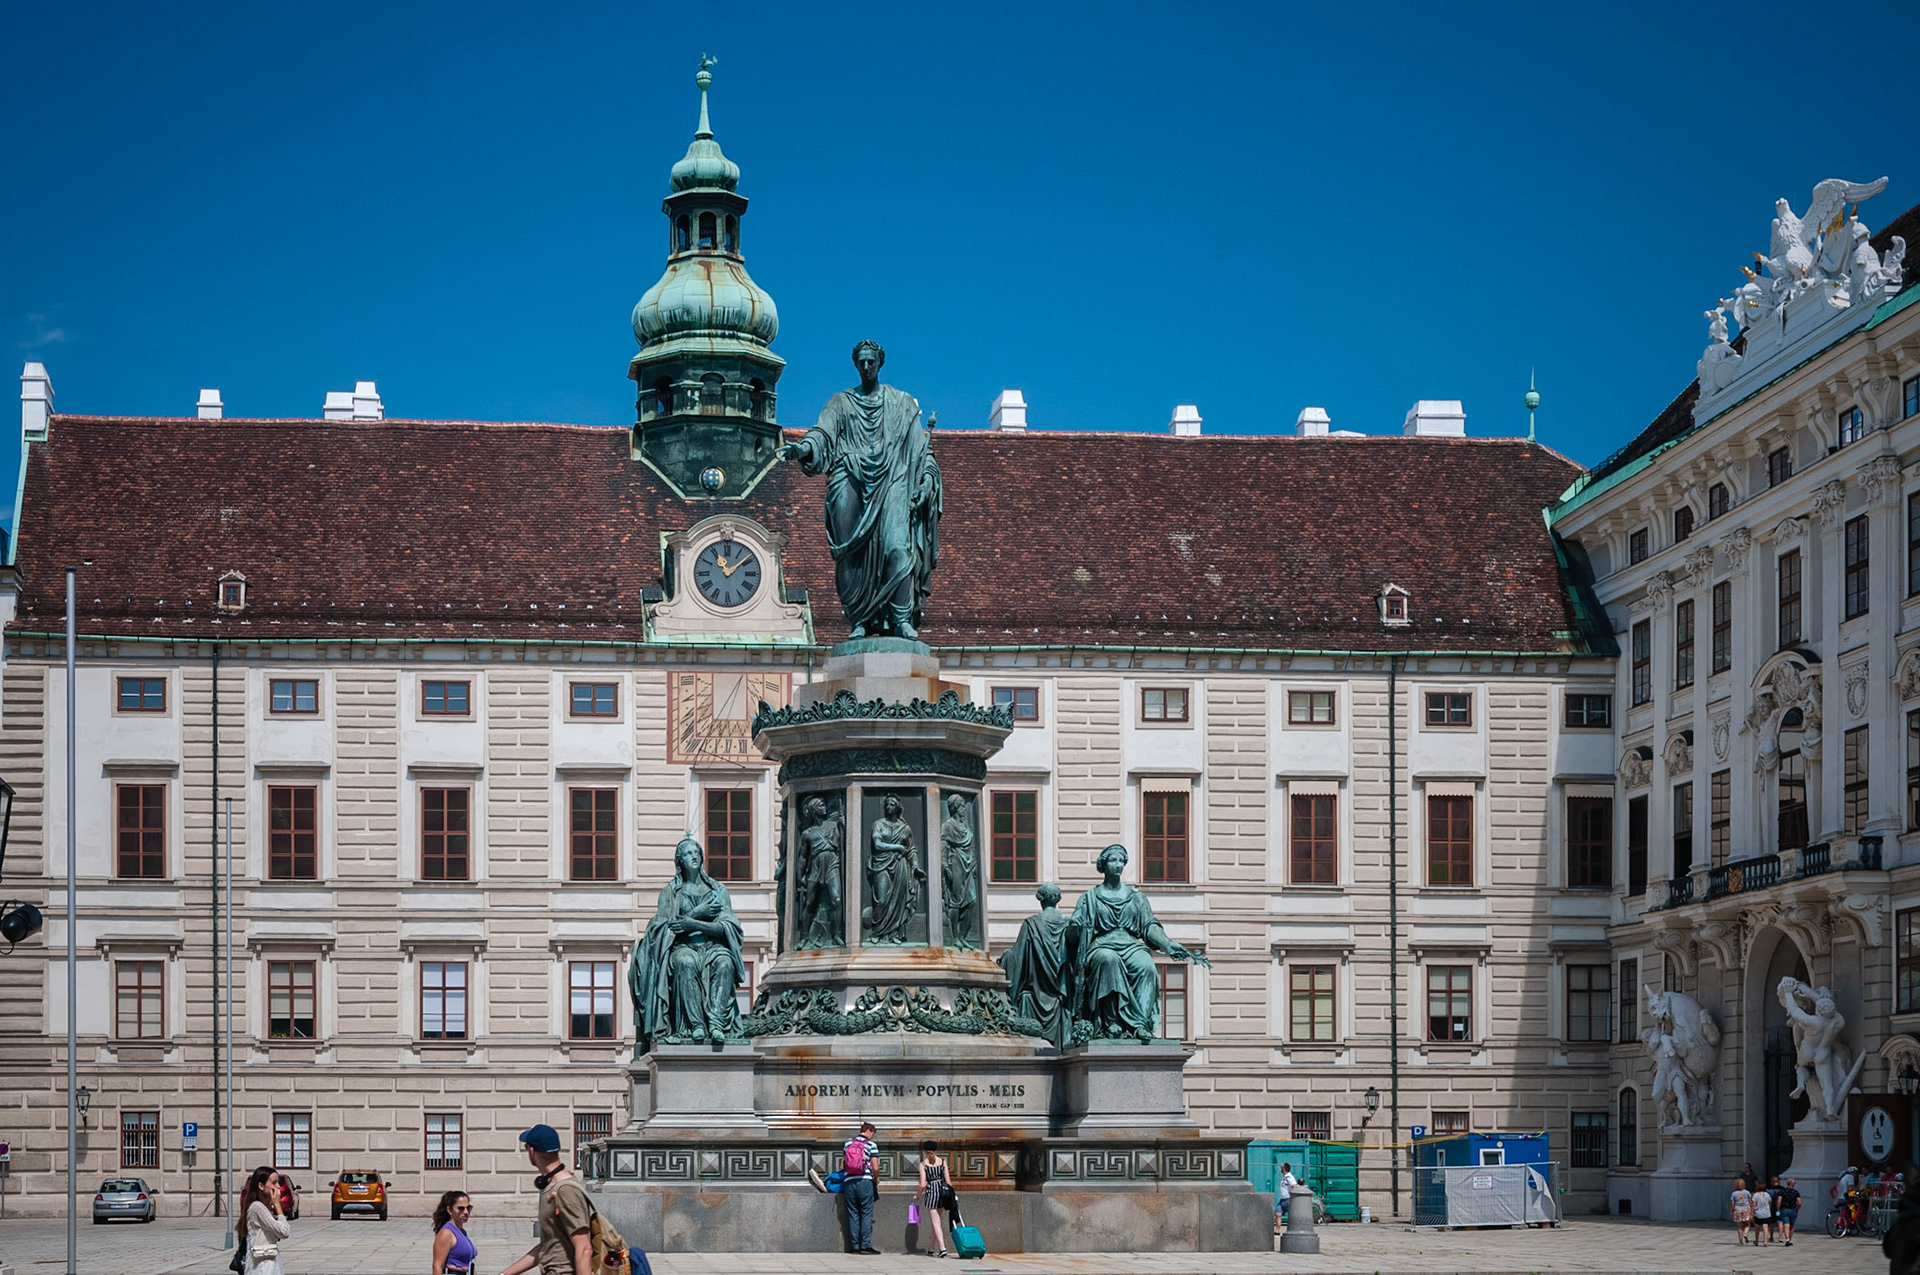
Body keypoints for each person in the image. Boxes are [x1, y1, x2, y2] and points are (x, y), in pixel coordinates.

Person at [500, 1124, 592, 1275]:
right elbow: (547, 1246)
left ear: (531, 1151)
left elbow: (584, 1249)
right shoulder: (551, 1187)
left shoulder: (566, 1190)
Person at [238, 1165, 290, 1275]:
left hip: (269, 1262)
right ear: (261, 1186)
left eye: (278, 1182)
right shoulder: (257, 1208)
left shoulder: (263, 1207)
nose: (278, 1186)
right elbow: (284, 1231)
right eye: (274, 1183)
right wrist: (278, 1205)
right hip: (262, 1266)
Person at [842, 1120, 880, 1256]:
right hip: (865, 1181)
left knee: (853, 1213)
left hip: (849, 1182)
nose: (872, 1137)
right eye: (872, 1134)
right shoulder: (871, 1145)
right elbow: (875, 1166)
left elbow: (845, 1162)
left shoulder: (847, 1143)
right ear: (869, 1131)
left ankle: (854, 1246)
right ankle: (865, 1245)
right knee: (866, 1213)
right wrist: (876, 1178)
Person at [916, 1140, 951, 1258]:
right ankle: (931, 1248)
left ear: (925, 1151)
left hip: (931, 1193)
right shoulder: (943, 1162)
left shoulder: (923, 1164)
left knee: (936, 1222)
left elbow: (922, 1184)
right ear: (936, 1150)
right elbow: (948, 1181)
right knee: (936, 1223)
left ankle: (942, 1248)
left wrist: (917, 1195)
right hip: (942, 1193)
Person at [431, 1191, 478, 1275]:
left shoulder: (461, 1231)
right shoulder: (446, 1233)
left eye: (468, 1208)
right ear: (449, 1210)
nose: (466, 1212)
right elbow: (437, 1266)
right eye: (461, 1208)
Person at [1274, 1162, 1299, 1233]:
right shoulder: (1284, 1177)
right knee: (1278, 1214)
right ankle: (1277, 1231)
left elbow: (1294, 1186)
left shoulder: (1290, 1177)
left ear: (1284, 1169)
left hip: (1288, 1199)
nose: (1281, 1169)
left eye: (1282, 1168)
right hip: (1282, 1199)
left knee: (1291, 1215)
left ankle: (1292, 1230)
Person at [1774, 1175, 1799, 1246]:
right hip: (1793, 1209)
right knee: (1792, 1225)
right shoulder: (1795, 1192)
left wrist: (1778, 1209)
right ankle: (1789, 1239)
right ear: (1792, 1184)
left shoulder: (1782, 1191)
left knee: (1786, 1224)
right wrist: (1797, 1209)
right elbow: (1799, 1202)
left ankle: (1787, 1239)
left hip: (1784, 1209)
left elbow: (1779, 1201)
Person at [1750, 1175, 1773, 1244]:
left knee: (1757, 1227)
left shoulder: (1755, 1195)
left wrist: (1751, 1212)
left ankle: (1756, 1240)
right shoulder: (1767, 1194)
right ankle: (1765, 1241)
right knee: (1765, 1227)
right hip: (1766, 1213)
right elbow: (1770, 1203)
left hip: (1758, 1213)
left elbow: (1753, 1204)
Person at [1729, 1177, 1752, 1245]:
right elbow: (1750, 1201)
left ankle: (1740, 1240)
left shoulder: (1734, 1193)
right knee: (1747, 1223)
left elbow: (1732, 1203)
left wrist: (1732, 1210)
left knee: (1739, 1226)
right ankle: (1745, 1234)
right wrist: (1751, 1209)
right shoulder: (1747, 1192)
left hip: (1738, 1208)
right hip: (1746, 1208)